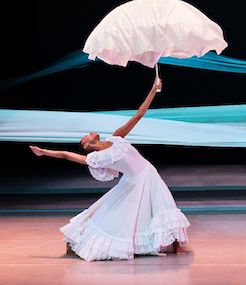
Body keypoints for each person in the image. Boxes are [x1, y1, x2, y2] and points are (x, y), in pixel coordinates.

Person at [30, 78, 191, 261]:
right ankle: (88, 241)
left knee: (164, 204)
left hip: (149, 173)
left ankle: (177, 243)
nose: (88, 133)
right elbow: (67, 155)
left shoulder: (116, 137)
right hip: (134, 182)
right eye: (85, 136)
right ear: (86, 145)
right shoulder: (95, 158)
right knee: (126, 216)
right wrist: (43, 152)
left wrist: (154, 89)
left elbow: (138, 114)